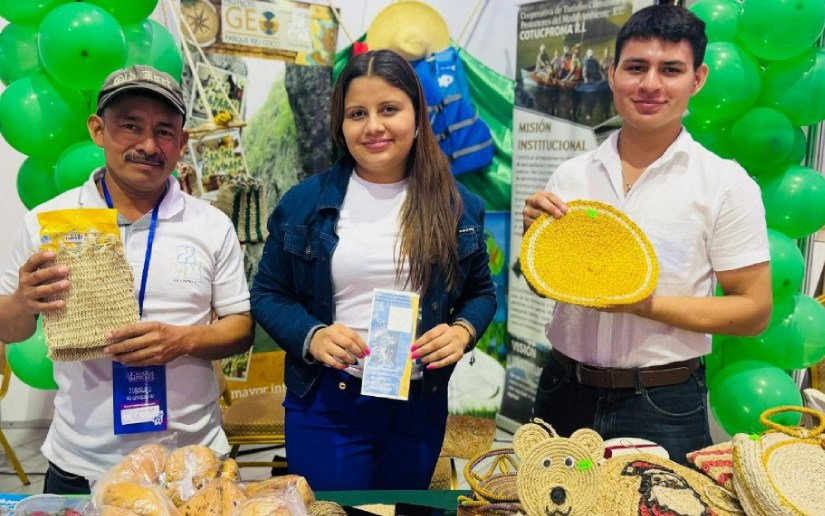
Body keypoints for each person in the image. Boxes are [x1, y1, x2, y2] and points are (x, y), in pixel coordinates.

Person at [522, 5, 771, 464]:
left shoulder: (724, 184)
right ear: (612, 73)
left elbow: (753, 311)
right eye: (636, 67)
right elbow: (544, 288)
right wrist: (537, 248)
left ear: (697, 79)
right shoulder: (571, 176)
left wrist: (643, 304)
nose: (650, 84)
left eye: (670, 70)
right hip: (562, 388)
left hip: (662, 402)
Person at [0, 65, 254, 493]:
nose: (148, 146)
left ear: (182, 142)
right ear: (98, 130)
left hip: (190, 462)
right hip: (82, 463)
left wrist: (183, 340)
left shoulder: (210, 225)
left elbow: (241, 328)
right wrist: (24, 302)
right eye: (130, 126)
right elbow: (9, 329)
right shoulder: (49, 223)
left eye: (164, 131)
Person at [251, 49, 496, 491]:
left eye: (389, 109)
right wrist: (313, 335)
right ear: (341, 125)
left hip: (418, 406)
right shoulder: (303, 204)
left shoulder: (458, 206)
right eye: (357, 114)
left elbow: (482, 292)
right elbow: (268, 293)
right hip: (329, 402)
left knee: (400, 510)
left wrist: (462, 331)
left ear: (417, 118)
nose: (374, 127)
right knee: (334, 511)